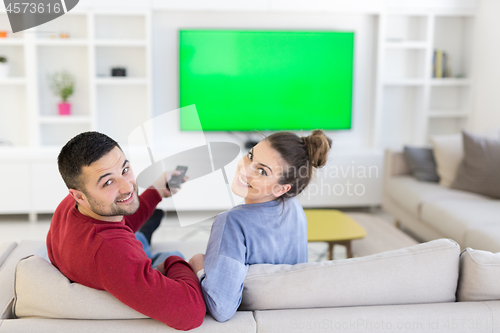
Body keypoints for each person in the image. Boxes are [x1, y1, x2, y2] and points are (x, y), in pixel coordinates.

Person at [46, 131, 206, 330]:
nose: (127, 187)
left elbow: (119, 225)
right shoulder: (112, 251)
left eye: (125, 170)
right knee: (168, 252)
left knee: (136, 230)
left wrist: (156, 191)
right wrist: (172, 261)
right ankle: (147, 234)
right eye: (108, 182)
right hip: (121, 261)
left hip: (110, 256)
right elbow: (191, 313)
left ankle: (145, 229)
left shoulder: (73, 204)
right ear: (79, 196)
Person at [188, 130, 332, 322]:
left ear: (281, 188)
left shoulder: (232, 222)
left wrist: (197, 263)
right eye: (250, 156)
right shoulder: (294, 207)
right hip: (292, 318)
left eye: (262, 171)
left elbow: (221, 307)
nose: (245, 170)